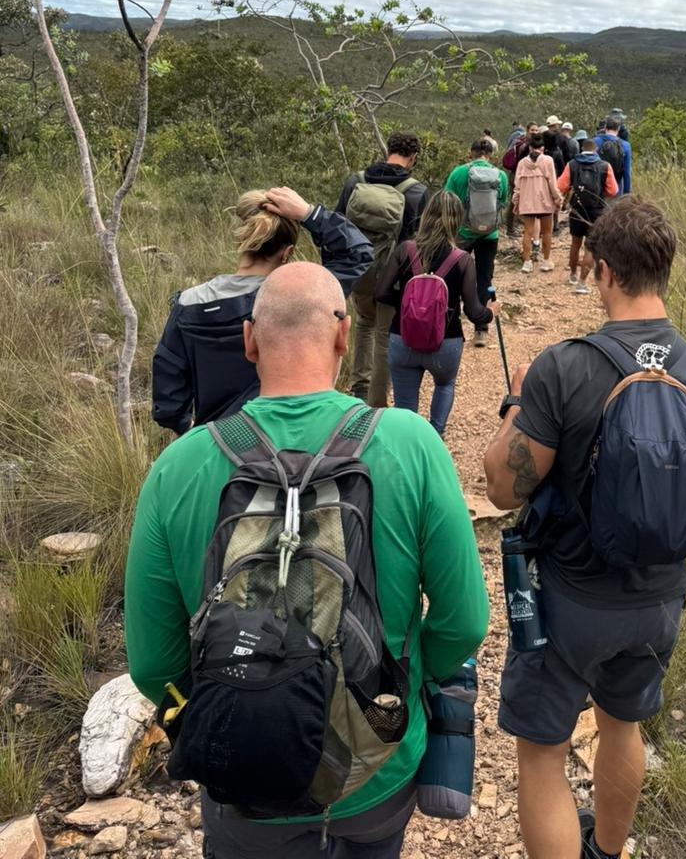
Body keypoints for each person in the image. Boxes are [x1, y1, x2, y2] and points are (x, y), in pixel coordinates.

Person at [128, 263, 489, 859]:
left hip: (243, 789)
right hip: (377, 777)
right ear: (344, 336)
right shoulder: (413, 443)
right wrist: (400, 685)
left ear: (249, 341)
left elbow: (153, 666)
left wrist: (246, 713)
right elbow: (464, 623)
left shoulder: (178, 468)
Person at [483, 197, 686, 859]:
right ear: (665, 271)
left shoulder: (564, 368)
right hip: (657, 602)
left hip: (568, 600)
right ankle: (606, 850)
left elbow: (502, 488)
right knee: (622, 725)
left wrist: (518, 403)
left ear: (602, 270)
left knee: (543, 753)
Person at [151, 187, 372, 434]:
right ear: (287, 253)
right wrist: (310, 214)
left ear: (241, 241)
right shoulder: (301, 296)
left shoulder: (188, 303)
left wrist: (191, 431)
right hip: (288, 438)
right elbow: (357, 254)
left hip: (218, 441)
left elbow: (168, 399)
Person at [375, 193, 498, 436]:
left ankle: (409, 445)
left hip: (403, 339)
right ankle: (436, 436)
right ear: (457, 220)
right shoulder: (463, 260)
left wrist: (409, 307)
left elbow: (380, 293)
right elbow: (473, 312)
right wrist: (491, 313)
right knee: (444, 385)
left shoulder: (405, 250)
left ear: (426, 215)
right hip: (445, 343)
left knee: (405, 411)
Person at [336, 132, 428, 404]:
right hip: (394, 275)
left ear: (388, 150)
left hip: (360, 270)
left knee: (365, 323)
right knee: (384, 334)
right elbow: (418, 241)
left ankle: (359, 389)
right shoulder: (416, 192)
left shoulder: (356, 181)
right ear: (413, 157)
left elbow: (338, 224)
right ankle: (376, 403)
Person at [444, 137, 508, 348]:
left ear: (471, 153)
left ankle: (451, 326)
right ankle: (481, 330)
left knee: (454, 277)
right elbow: (503, 202)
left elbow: (447, 201)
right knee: (484, 279)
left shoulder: (458, 173)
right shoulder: (500, 175)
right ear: (490, 155)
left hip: (462, 233)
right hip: (489, 235)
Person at [557, 138, 617, 293]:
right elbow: (613, 190)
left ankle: (572, 275)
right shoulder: (604, 166)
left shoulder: (572, 164)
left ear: (581, 149)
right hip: (596, 211)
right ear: (595, 149)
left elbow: (560, 186)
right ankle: (582, 283)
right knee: (590, 247)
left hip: (577, 210)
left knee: (575, 243)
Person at [513, 132, 562, 275]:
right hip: (544, 201)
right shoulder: (548, 161)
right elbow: (552, 183)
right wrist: (558, 198)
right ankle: (546, 261)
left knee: (528, 233)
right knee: (547, 232)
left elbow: (517, 185)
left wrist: (516, 201)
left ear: (529, 147)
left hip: (527, 202)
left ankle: (527, 263)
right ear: (542, 147)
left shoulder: (522, 163)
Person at [502, 122, 539, 239]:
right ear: (527, 130)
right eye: (532, 130)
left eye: (536, 130)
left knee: (518, 201)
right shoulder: (525, 144)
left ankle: (513, 227)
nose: (534, 132)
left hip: (519, 175)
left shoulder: (521, 141)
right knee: (515, 201)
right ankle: (510, 229)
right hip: (519, 176)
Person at [596, 116, 632, 196]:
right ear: (618, 129)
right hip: (616, 188)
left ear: (605, 127)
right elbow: (627, 172)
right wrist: (626, 194)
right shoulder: (626, 145)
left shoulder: (595, 141)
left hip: (598, 188)